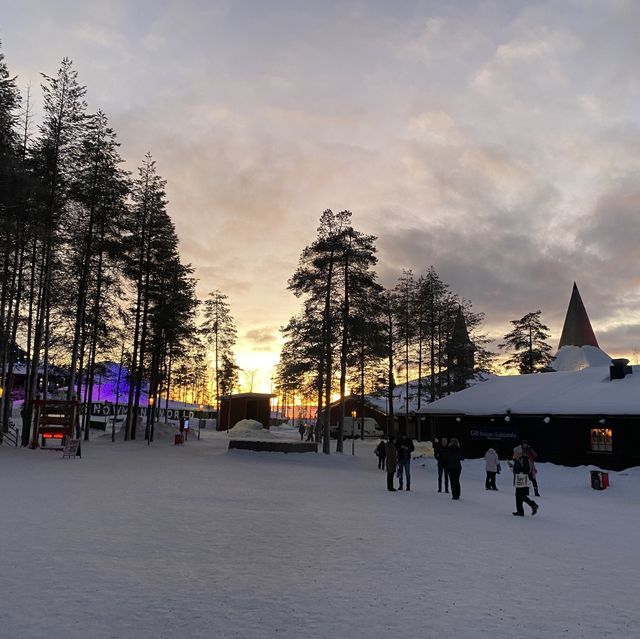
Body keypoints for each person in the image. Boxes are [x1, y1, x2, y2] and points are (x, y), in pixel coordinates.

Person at [511, 450, 539, 516]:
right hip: (518, 481)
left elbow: (527, 470)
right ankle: (521, 511)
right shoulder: (517, 461)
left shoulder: (524, 460)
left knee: (520, 496)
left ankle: (532, 505)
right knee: (519, 496)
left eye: (515, 455)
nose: (514, 456)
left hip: (523, 481)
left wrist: (518, 469)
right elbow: (516, 471)